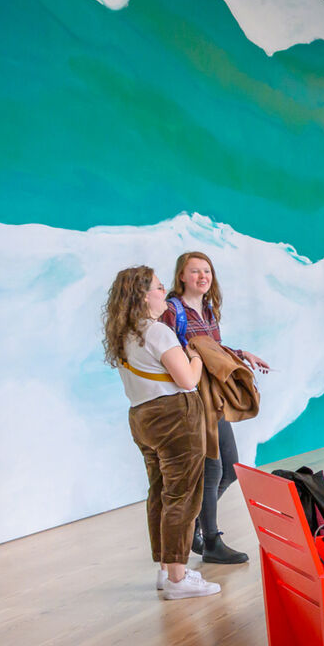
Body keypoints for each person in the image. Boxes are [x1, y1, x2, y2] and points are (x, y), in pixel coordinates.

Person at [102, 265, 218, 601]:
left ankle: (166, 569)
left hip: (142, 417)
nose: (162, 292)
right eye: (156, 287)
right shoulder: (157, 332)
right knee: (182, 494)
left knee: (159, 492)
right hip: (174, 417)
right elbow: (188, 380)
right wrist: (195, 357)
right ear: (141, 295)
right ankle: (178, 579)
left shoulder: (124, 333)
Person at [172, 251, 266, 566]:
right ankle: (210, 540)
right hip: (195, 399)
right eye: (195, 271)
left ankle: (197, 525)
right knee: (212, 469)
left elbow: (213, 349)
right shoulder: (174, 311)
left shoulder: (208, 310)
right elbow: (171, 352)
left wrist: (241, 354)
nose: (202, 277)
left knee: (230, 468)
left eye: (207, 271)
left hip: (215, 397)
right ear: (181, 276)